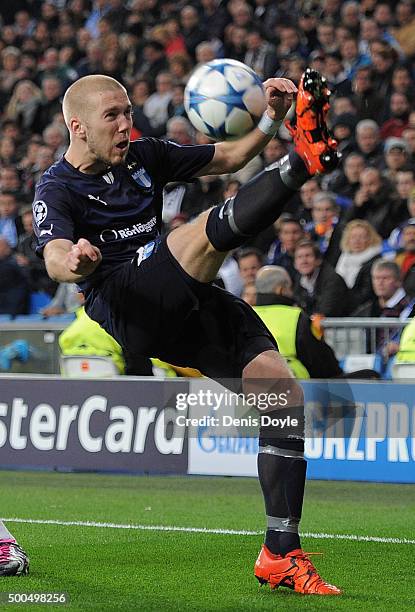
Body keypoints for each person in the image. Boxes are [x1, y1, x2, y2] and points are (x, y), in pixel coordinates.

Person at [33, 71, 341, 595]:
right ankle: (302, 163)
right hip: (128, 304)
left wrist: (272, 118)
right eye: (113, 116)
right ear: (78, 126)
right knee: (193, 235)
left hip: (185, 296)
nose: (127, 124)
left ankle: (280, 553)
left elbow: (230, 156)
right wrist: (77, 262)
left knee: (280, 392)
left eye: (129, 112)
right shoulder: (56, 186)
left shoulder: (144, 155)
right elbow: (55, 256)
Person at [254, 266, 343, 378]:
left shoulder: (246, 315)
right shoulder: (295, 316)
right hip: (295, 385)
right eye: (289, 287)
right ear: (280, 289)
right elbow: (319, 358)